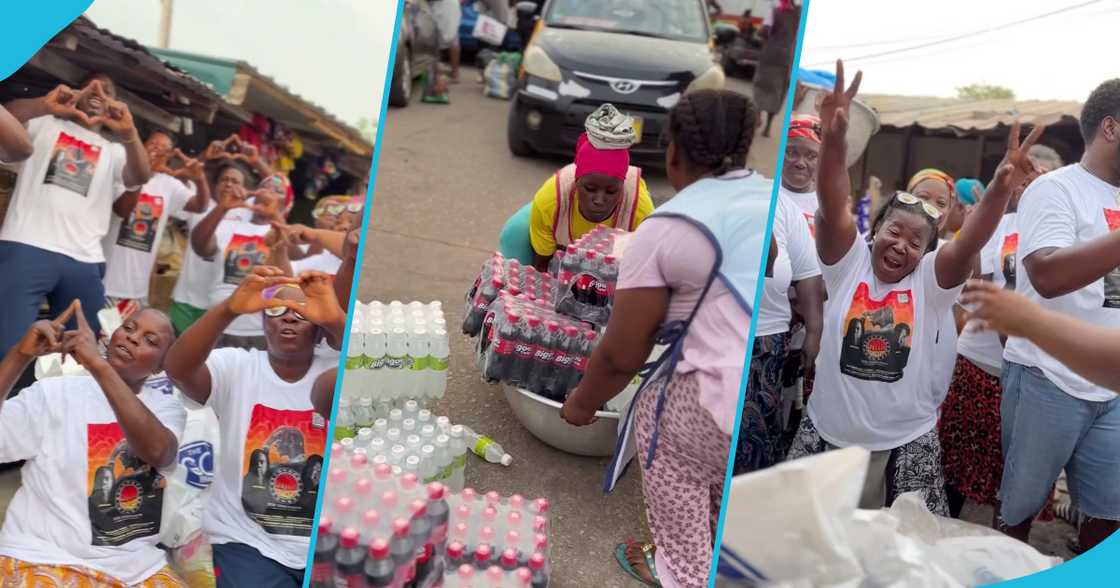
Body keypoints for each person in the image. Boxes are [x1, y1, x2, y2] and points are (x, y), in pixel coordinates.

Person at [785, 61, 1041, 516]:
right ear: (875, 230)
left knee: (900, 557)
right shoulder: (849, 263)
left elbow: (970, 242)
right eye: (893, 231)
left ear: (927, 250)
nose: (900, 245)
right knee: (810, 549)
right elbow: (832, 196)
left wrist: (1001, 185)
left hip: (904, 443)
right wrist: (837, 139)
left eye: (915, 241)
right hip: (828, 434)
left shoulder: (931, 281)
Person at [560, 89, 770, 588]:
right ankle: (719, 555)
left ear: (672, 153)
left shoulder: (667, 227)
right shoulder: (767, 198)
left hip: (711, 400)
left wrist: (581, 405)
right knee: (718, 480)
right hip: (755, 393)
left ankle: (681, 566)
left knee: (665, 431)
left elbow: (621, 354)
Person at [997, 78, 1120, 552]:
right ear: (1111, 127)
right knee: (1019, 515)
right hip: (1049, 378)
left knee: (1107, 518)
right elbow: (1045, 276)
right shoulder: (1055, 190)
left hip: (1111, 383)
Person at [165, 267, 345, 586]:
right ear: (263, 322)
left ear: (318, 331)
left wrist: (334, 320)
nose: (288, 317)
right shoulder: (237, 366)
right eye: (276, 310)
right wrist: (228, 309)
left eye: (301, 311)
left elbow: (378, 370)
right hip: (247, 543)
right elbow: (178, 369)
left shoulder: (335, 372)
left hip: (327, 545)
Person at [0, 300, 186, 586]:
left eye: (149, 340)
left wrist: (97, 364)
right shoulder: (54, 394)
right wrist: (18, 355)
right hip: (42, 557)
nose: (133, 337)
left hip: (135, 569)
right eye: (128, 327)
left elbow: (159, 452)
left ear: (161, 366)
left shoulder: (164, 409)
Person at [938, 147, 1063, 520]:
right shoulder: (1002, 227)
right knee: (955, 475)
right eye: (1024, 177)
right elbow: (977, 287)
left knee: (1016, 488)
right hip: (981, 367)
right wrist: (974, 234)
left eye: (1043, 176)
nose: (1031, 184)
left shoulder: (1071, 233)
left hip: (1040, 375)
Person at [0, 75, 151, 353]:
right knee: (7, 346)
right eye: (92, 86)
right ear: (75, 91)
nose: (99, 92)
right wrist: (45, 104)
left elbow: (140, 175)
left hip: (85, 258)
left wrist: (129, 133)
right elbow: (5, 117)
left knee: (82, 355)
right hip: (27, 245)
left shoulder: (115, 151)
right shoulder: (44, 124)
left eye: (107, 91)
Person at [733, 119, 823, 475]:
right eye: (791, 152)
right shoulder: (756, 197)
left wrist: (814, 330)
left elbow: (811, 274)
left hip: (770, 344)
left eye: (810, 155)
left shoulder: (809, 210)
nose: (800, 162)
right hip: (730, 335)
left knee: (760, 448)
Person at [498, 104, 655, 270]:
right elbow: (542, 266)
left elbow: (642, 272)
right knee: (515, 231)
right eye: (590, 189)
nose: (599, 200)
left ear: (622, 186)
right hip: (555, 225)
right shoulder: (551, 201)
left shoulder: (639, 211)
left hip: (613, 263)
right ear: (576, 181)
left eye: (611, 191)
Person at [103, 131, 210, 317]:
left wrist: (199, 180)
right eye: (153, 144)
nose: (157, 151)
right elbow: (121, 210)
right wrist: (144, 173)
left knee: (117, 343)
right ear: (141, 146)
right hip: (103, 282)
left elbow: (200, 206)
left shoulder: (169, 185)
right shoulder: (122, 170)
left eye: (164, 149)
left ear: (169, 157)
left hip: (136, 291)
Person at [190, 169, 289, 349]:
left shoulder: (290, 235)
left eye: (278, 191)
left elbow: (286, 282)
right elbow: (200, 247)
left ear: (286, 205)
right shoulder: (231, 225)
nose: (269, 192)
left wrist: (275, 217)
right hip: (217, 325)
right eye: (265, 187)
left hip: (259, 333)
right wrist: (223, 207)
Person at [168, 163, 252, 335]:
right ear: (215, 185)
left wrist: (255, 160)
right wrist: (205, 158)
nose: (228, 184)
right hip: (186, 299)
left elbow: (278, 192)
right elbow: (181, 176)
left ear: (244, 189)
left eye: (235, 181)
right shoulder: (202, 205)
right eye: (224, 180)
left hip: (219, 304)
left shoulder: (249, 213)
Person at [753, 1, 800, 136]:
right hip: (787, 59)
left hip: (770, 56)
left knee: (761, 85)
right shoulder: (798, 14)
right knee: (777, 93)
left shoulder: (775, 11)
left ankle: (757, 114)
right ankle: (768, 128)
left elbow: (765, 31)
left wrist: (760, 31)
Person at [432, 0, 463, 84]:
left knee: (439, 38)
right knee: (452, 38)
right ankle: (453, 73)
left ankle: (451, 74)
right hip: (449, 6)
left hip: (444, 7)